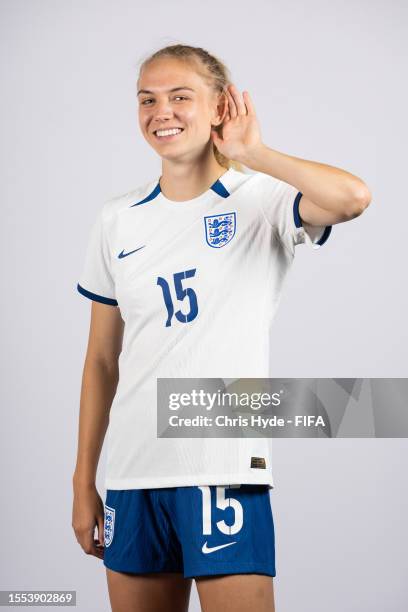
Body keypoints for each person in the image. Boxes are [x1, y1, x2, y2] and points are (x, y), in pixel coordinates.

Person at [72, 44, 371, 612]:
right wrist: (83, 480)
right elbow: (101, 362)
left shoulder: (260, 199)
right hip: (133, 475)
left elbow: (353, 198)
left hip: (222, 465)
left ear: (220, 107)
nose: (162, 111)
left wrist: (254, 153)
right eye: (147, 100)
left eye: (181, 96)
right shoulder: (117, 218)